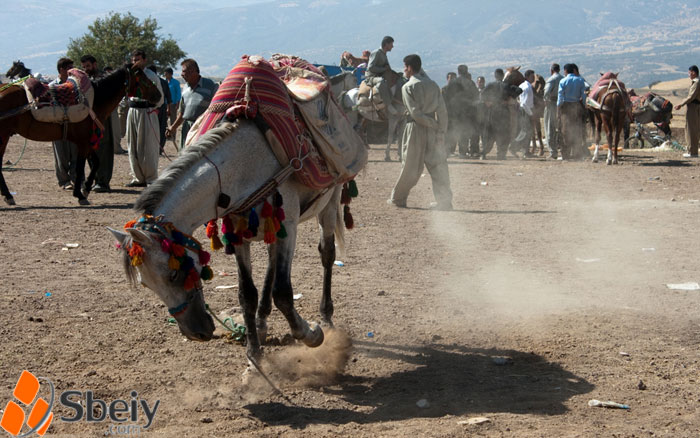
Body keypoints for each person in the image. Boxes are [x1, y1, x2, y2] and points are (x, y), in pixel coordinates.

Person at [388, 54, 452, 211]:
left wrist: (431, 124)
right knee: (438, 166)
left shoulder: (407, 87)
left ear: (409, 68)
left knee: (410, 166)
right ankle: (444, 202)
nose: (404, 70)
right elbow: (442, 111)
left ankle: (398, 198)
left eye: (405, 67)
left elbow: (415, 113)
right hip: (433, 130)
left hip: (415, 129)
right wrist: (440, 129)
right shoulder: (433, 85)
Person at [80, 54, 120, 192]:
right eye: (84, 67)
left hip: (102, 119)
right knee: (91, 150)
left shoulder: (104, 79)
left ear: (95, 64)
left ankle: (103, 181)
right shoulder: (84, 80)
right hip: (88, 120)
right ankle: (94, 178)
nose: (86, 69)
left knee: (103, 149)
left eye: (88, 66)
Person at [125, 49, 164, 187]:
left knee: (148, 146)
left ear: (144, 60)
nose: (136, 62)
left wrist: (154, 109)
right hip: (132, 111)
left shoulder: (151, 76)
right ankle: (138, 177)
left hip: (147, 111)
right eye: (134, 60)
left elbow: (159, 98)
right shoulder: (129, 76)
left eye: (138, 59)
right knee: (133, 145)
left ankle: (151, 177)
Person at [165, 58, 218, 150]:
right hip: (187, 128)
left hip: (202, 128)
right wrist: (173, 128)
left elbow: (216, 109)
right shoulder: (185, 88)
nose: (182, 74)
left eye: (184, 71)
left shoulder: (210, 86)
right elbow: (182, 113)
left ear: (193, 71)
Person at [50, 57, 78, 190]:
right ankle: (64, 181)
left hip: (73, 123)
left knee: (75, 153)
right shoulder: (52, 86)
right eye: (69, 68)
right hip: (58, 124)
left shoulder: (75, 85)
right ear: (61, 69)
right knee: (60, 154)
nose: (71, 71)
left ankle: (76, 178)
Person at [557, 63, 587, 160]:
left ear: (565, 71)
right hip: (576, 106)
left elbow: (560, 97)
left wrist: (558, 109)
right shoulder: (580, 80)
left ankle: (565, 154)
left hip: (566, 107)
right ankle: (576, 153)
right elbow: (583, 96)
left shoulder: (563, 81)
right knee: (577, 129)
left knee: (564, 130)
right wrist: (584, 106)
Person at [365, 36, 398, 115]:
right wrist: (383, 69)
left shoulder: (384, 54)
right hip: (371, 77)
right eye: (391, 44)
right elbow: (371, 67)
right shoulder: (377, 53)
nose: (392, 46)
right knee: (381, 81)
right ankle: (388, 104)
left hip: (380, 75)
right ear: (386, 44)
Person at [674, 65, 700, 158]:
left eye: (689, 72)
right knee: (693, 129)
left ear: (693, 72)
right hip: (695, 107)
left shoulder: (696, 82)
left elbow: (691, 96)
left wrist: (680, 104)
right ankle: (692, 151)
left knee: (691, 129)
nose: (689, 75)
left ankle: (692, 152)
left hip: (693, 107)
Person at [455, 65, 480, 157]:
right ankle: (473, 151)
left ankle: (462, 152)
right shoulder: (470, 83)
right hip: (470, 111)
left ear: (458, 72)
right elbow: (476, 96)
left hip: (457, 112)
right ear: (466, 71)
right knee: (473, 131)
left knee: (462, 132)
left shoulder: (454, 83)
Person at [147, 65, 172, 155]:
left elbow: (168, 96)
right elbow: (169, 97)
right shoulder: (163, 82)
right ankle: (159, 148)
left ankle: (156, 148)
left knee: (154, 128)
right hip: (161, 108)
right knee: (161, 128)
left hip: (153, 108)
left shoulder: (148, 82)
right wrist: (168, 109)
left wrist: (168, 109)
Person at [511, 69, 535, 158]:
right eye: (532, 77)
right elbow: (524, 103)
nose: (533, 78)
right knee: (525, 131)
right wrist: (531, 114)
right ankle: (514, 147)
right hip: (525, 111)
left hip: (523, 110)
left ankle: (525, 151)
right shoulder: (527, 87)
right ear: (527, 77)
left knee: (525, 131)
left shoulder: (523, 85)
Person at [543, 63, 563, 159]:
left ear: (551, 70)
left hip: (552, 104)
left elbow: (546, 92)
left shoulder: (551, 80)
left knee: (549, 128)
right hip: (563, 105)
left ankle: (553, 152)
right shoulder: (563, 78)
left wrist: (545, 100)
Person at [441, 72, 461, 155]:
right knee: (446, 132)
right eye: (450, 78)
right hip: (446, 114)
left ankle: (451, 150)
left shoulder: (459, 90)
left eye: (454, 78)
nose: (452, 80)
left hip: (457, 114)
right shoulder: (444, 89)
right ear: (447, 79)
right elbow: (441, 102)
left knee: (455, 132)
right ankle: (446, 150)